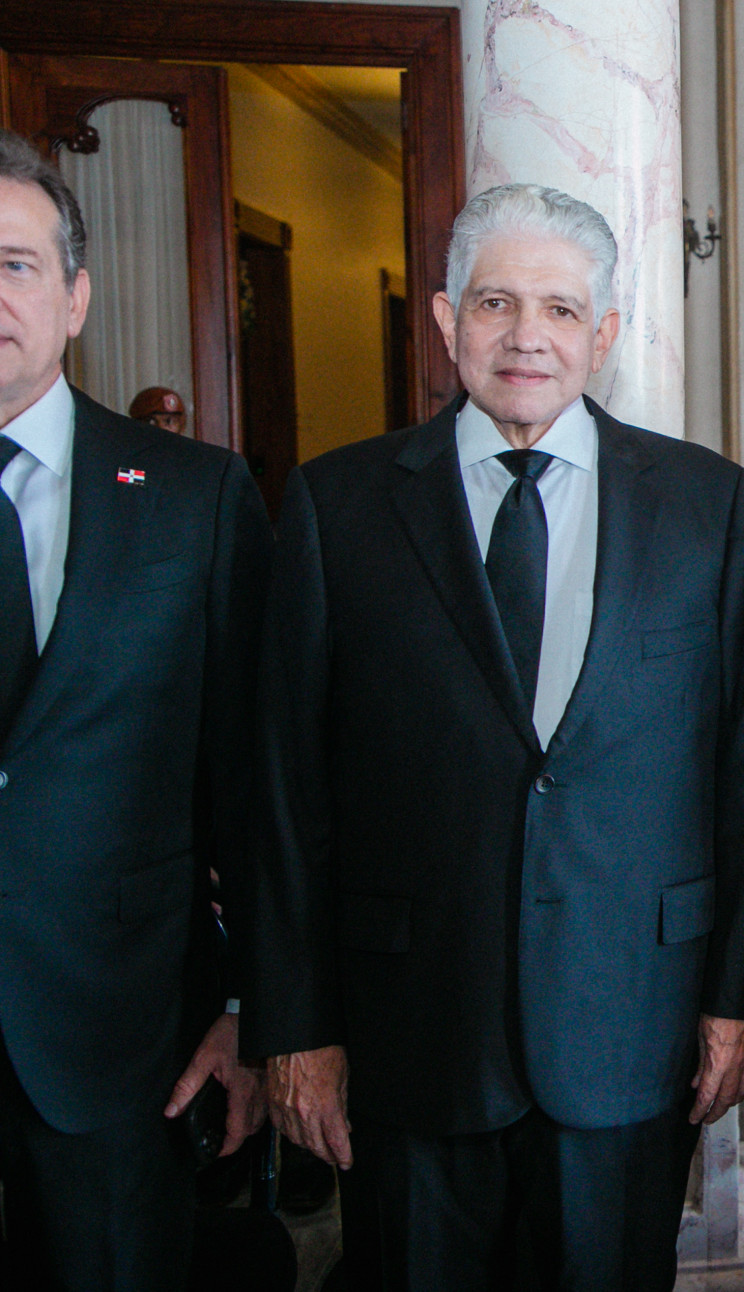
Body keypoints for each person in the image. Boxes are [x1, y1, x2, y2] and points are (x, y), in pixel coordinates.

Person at [242, 183, 744, 1289]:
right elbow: (287, 788)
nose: (527, 335)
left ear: (604, 334)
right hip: (411, 1033)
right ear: (447, 321)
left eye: (560, 309)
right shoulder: (338, 505)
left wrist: (738, 997)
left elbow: (743, 776)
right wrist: (294, 1023)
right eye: (496, 303)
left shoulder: (707, 504)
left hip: (631, 1026)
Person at [0, 130, 270, 1289]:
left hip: (122, 1042)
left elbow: (256, 781)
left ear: (75, 296)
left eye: (14, 264)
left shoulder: (193, 500)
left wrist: (257, 1008)